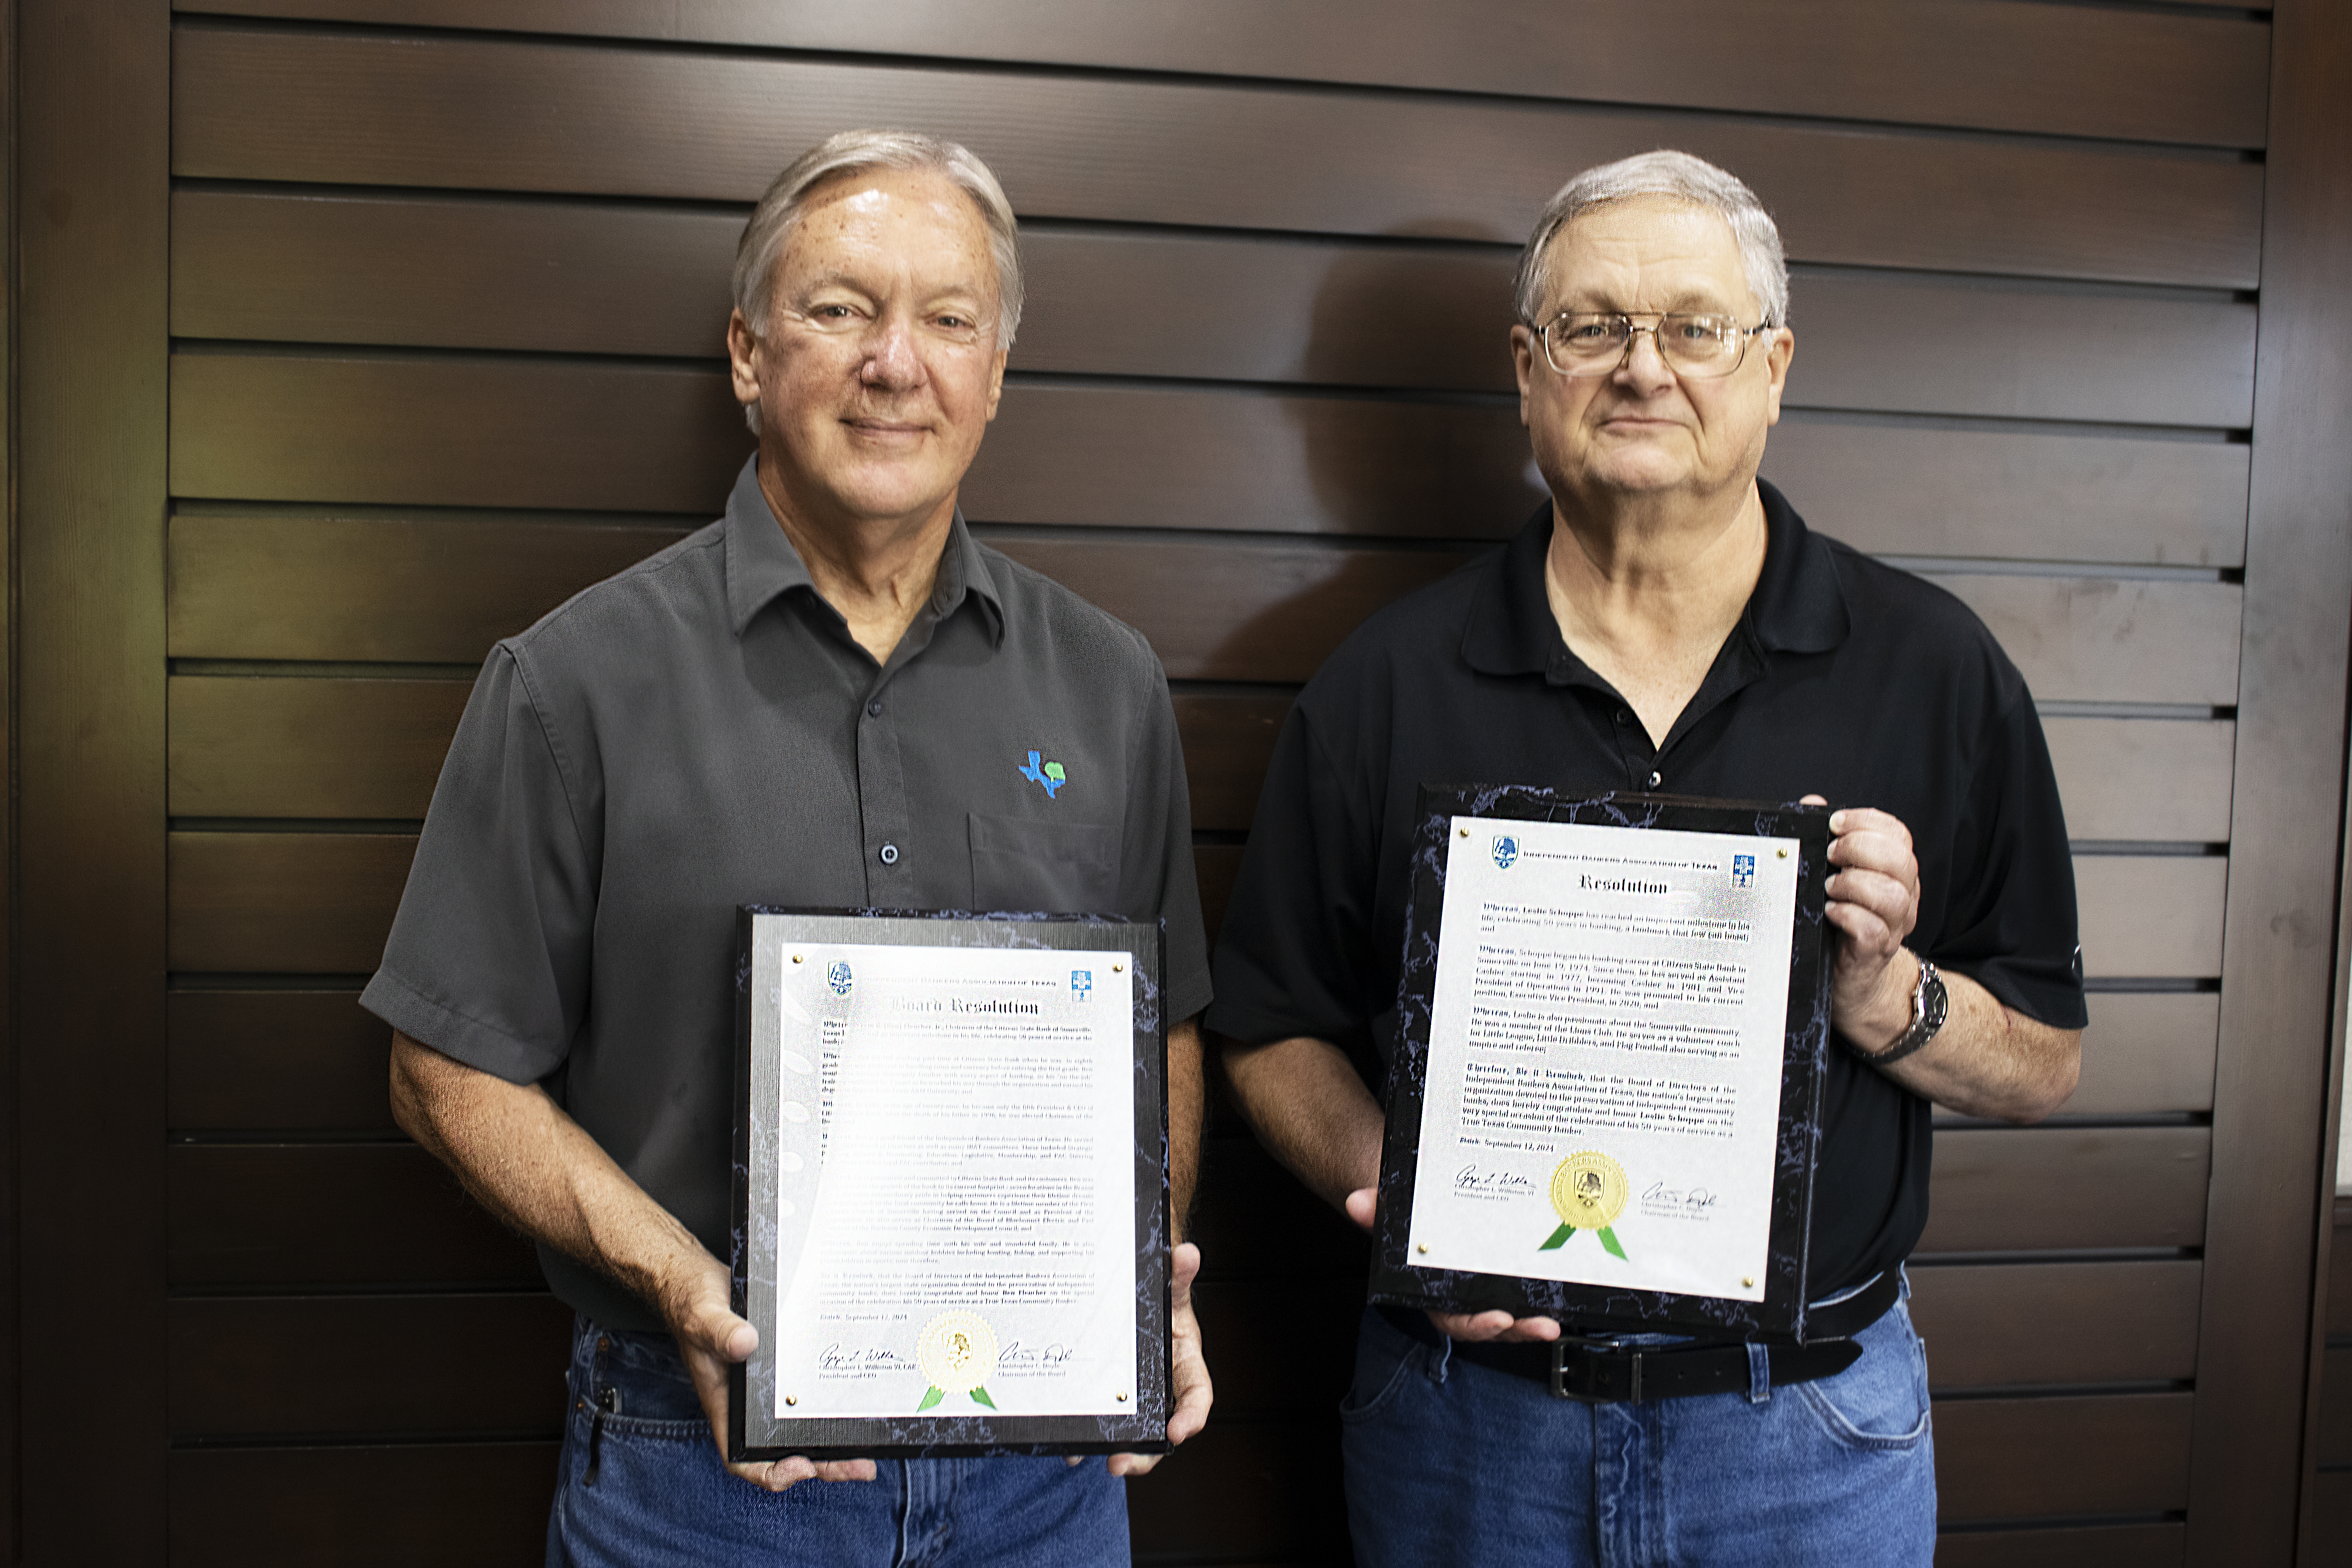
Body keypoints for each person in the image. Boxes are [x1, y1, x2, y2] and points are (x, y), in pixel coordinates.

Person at [1205, 149, 2084, 1566]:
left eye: (1694, 326)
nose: (1642, 368)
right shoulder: (1384, 682)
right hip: (1465, 1427)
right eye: (1592, 326)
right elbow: (1270, 1025)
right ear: (1526, 365)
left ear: (1774, 364)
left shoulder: (1935, 671)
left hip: (1809, 1441)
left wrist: (1888, 1002)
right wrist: (1408, 1195)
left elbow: (2046, 1056)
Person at [365, 128, 1213, 1568]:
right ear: (750, 355)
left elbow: (1164, 1034)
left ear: (996, 376)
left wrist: (1137, 1285)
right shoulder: (575, 680)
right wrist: (676, 1278)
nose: (898, 361)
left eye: (951, 320)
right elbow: (444, 1066)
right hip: (696, 1467)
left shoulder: (1108, 683)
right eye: (840, 309)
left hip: (1044, 1482)